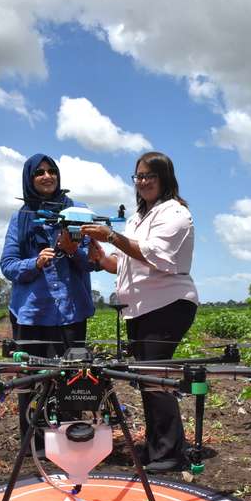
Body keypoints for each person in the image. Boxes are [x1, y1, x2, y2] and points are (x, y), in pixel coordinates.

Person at [81, 152, 198, 472]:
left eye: (150, 176)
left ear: (165, 179)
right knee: (147, 380)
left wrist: (112, 236)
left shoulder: (175, 214)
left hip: (167, 306)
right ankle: (158, 446)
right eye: (139, 176)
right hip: (140, 309)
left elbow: (152, 255)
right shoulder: (139, 217)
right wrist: (102, 255)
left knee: (155, 379)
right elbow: (125, 264)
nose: (143, 182)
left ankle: (171, 453)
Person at [0, 153, 97, 451]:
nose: (46, 176)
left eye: (51, 171)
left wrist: (71, 250)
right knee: (31, 382)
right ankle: (35, 446)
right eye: (39, 173)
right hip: (32, 315)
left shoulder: (77, 212)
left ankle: (71, 442)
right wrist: (35, 263)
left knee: (73, 382)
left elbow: (92, 261)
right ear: (29, 179)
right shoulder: (20, 217)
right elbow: (7, 264)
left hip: (71, 313)